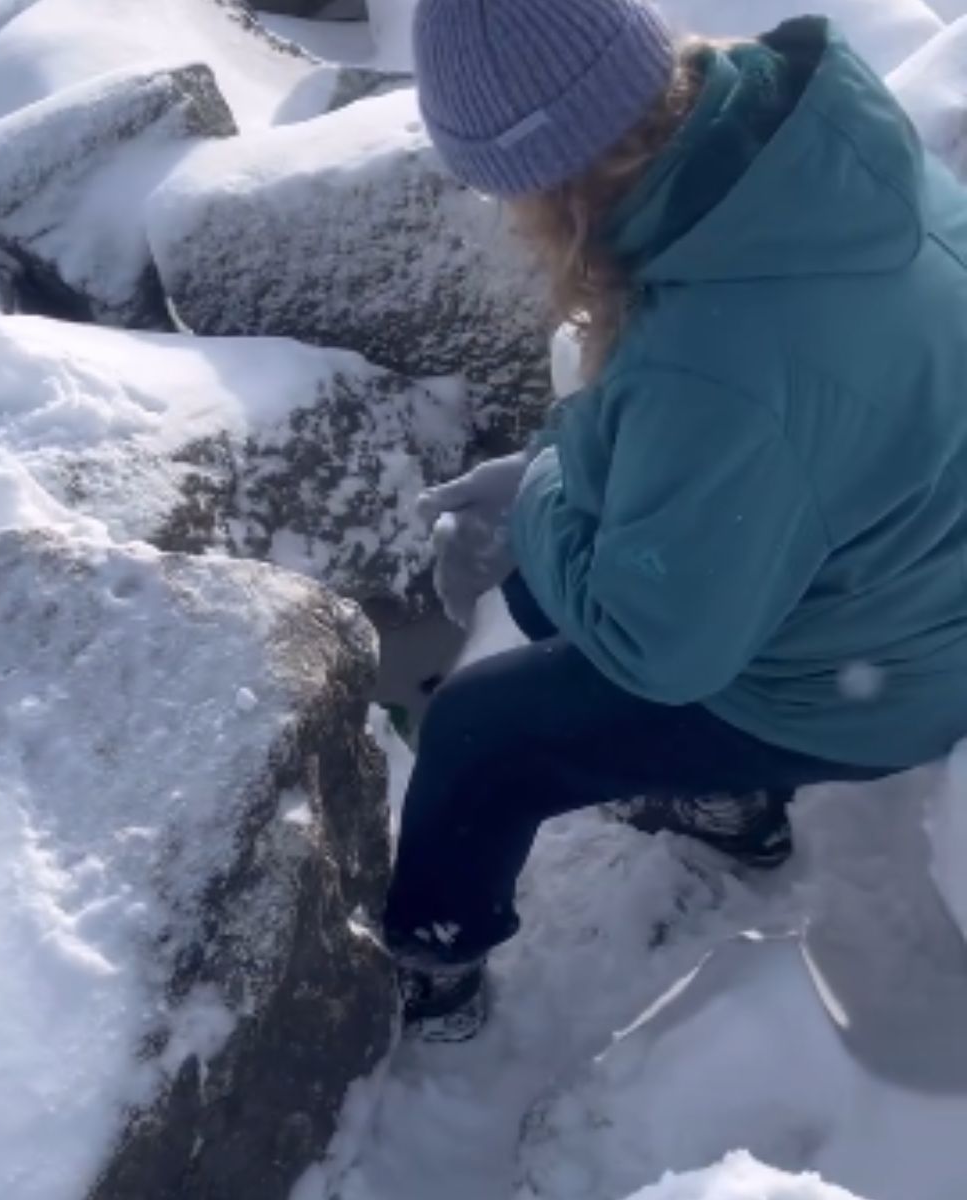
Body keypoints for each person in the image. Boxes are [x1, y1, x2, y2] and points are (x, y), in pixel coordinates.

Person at [383, 0, 967, 1043]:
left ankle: (436, 962)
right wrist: (558, 474)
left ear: (556, 184)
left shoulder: (719, 361)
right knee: (550, 576)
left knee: (479, 734)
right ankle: (727, 798)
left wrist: (535, 502)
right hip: (910, 567)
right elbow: (745, 427)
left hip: (882, 677)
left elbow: (661, 647)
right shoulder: (806, 160)